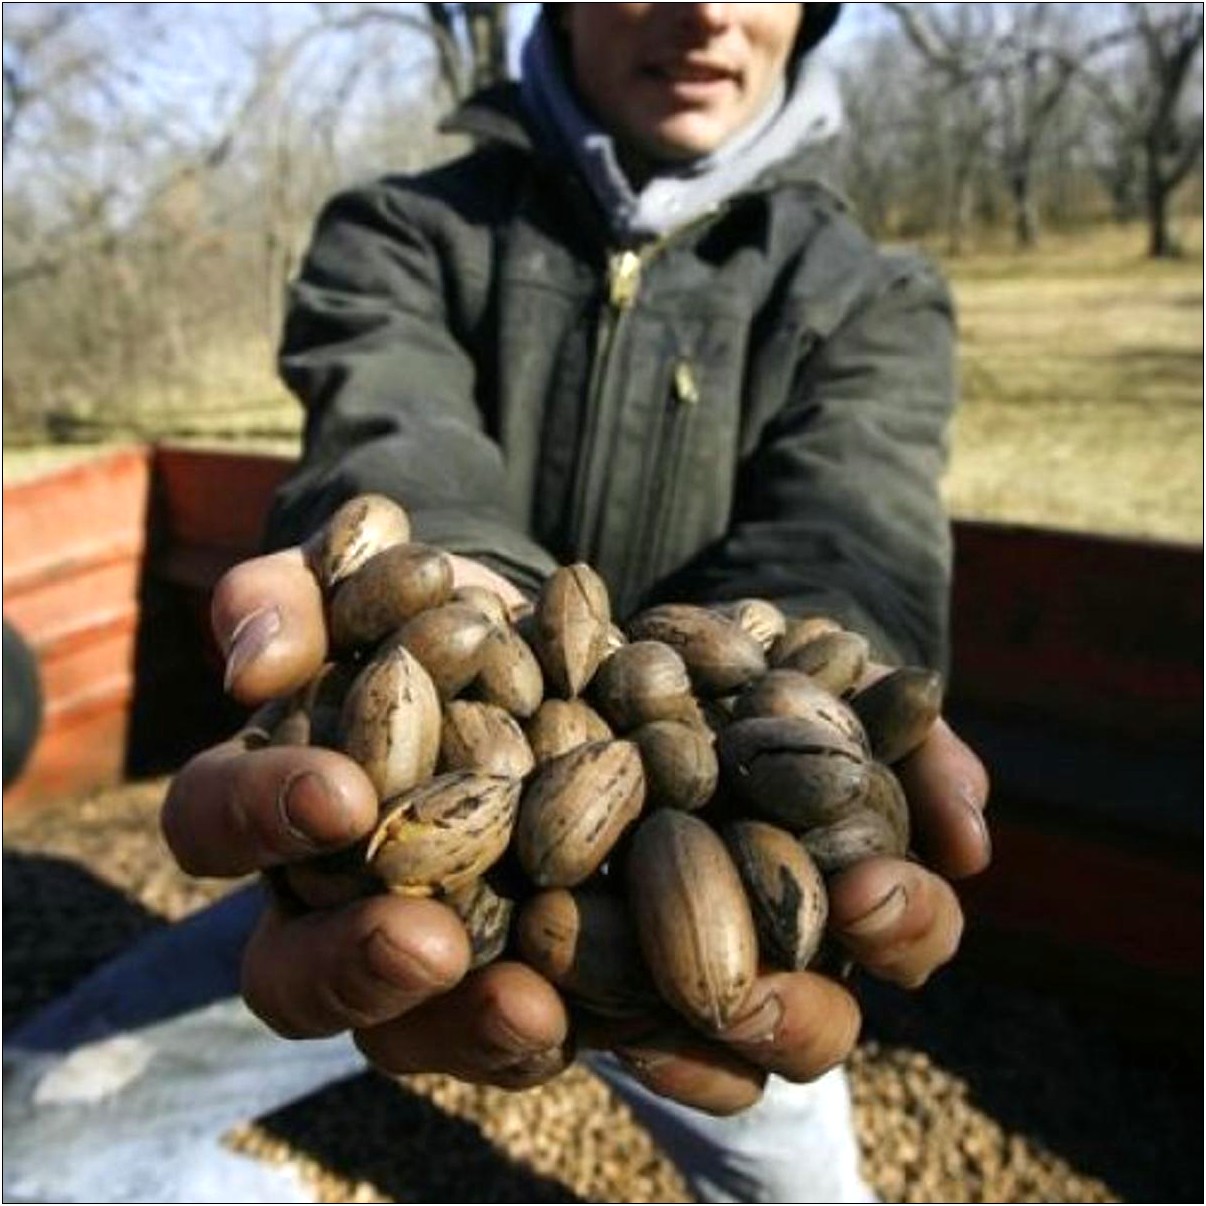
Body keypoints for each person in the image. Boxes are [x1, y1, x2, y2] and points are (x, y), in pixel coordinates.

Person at [3, 6, 991, 1202]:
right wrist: (439, 599)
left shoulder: (871, 294)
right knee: (31, 1147)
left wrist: (832, 673)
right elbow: (391, 439)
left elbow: (853, 535)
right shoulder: (401, 233)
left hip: (712, 919)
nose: (710, 12)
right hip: (419, 870)